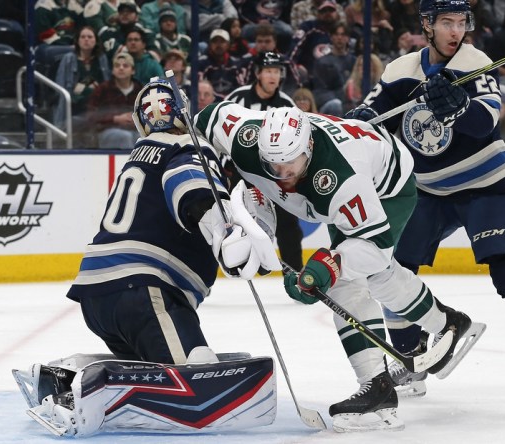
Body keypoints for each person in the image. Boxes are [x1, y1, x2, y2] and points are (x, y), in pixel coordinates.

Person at [345, 0, 505, 409]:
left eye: (461, 23)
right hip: (425, 190)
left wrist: (459, 105)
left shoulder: (476, 62)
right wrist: (355, 123)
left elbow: (486, 120)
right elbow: (371, 114)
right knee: (392, 270)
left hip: (485, 183)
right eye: (446, 23)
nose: (456, 31)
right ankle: (411, 358)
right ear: (427, 25)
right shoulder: (401, 69)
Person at [11, 77, 280, 437]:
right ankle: (82, 395)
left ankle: (72, 382)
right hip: (145, 291)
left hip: (98, 295)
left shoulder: (139, 154)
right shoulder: (188, 146)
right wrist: (224, 232)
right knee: (196, 373)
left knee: (153, 368)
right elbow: (192, 191)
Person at [195, 102, 478, 431]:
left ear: (309, 147)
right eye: (272, 165)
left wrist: (332, 266)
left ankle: (379, 388)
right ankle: (450, 323)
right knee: (369, 277)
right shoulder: (242, 135)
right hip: (343, 184)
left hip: (387, 186)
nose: (281, 175)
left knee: (360, 278)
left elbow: (376, 248)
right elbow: (203, 120)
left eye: (290, 164)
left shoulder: (342, 180)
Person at [225, 51, 304, 272]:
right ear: (258, 73)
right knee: (233, 220)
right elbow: (222, 129)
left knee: (288, 224)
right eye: (268, 70)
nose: (273, 76)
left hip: (275, 174)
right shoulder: (238, 98)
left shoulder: (286, 103)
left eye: (277, 71)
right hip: (241, 171)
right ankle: (230, 266)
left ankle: (295, 275)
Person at [54, 25, 111, 129]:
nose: (86, 40)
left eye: (90, 37)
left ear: (96, 41)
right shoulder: (69, 59)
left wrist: (83, 89)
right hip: (74, 107)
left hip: (97, 107)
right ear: (78, 41)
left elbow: (106, 85)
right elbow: (60, 87)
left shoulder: (102, 59)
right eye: (83, 37)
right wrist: (87, 90)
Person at [87, 52, 143, 149]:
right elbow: (91, 115)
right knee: (124, 136)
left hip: (136, 129)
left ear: (133, 70)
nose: (121, 68)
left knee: (143, 138)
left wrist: (137, 119)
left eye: (125, 65)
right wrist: (115, 119)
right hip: (108, 130)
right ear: (113, 70)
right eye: (117, 66)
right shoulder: (102, 89)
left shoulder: (141, 90)